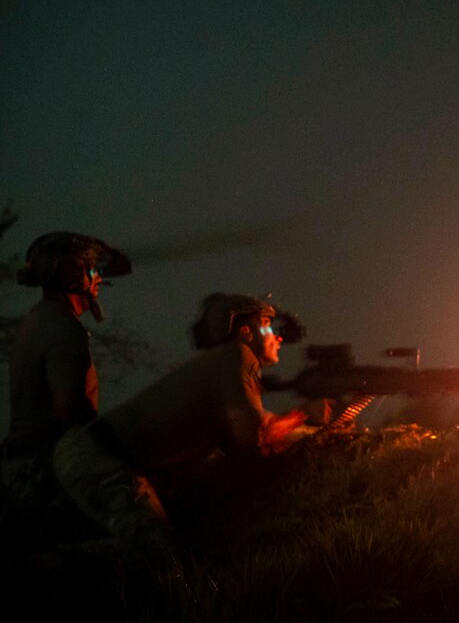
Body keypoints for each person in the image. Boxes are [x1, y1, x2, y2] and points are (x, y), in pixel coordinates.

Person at [51, 292, 310, 559]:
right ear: (245, 333)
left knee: (156, 541)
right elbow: (253, 439)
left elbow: (247, 438)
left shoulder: (223, 363)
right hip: (98, 458)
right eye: (266, 326)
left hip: (93, 454)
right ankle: (45, 569)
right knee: (159, 555)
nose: (277, 337)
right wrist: (304, 415)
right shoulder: (238, 355)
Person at [1, 231, 131, 543]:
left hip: (21, 470)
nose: (99, 278)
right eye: (93, 269)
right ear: (72, 273)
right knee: (142, 534)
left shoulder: (36, 320)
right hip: (47, 472)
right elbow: (69, 417)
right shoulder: (62, 328)